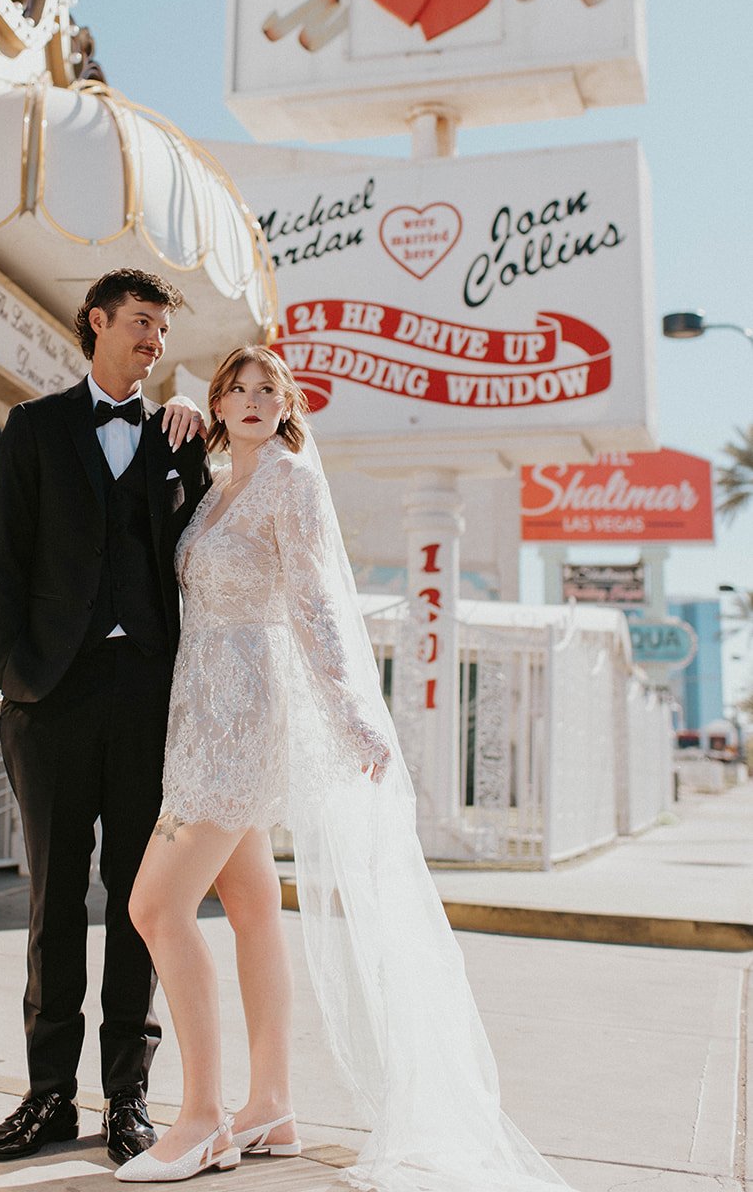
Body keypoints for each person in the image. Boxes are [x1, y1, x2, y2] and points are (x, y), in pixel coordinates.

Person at [117, 345, 570, 1192]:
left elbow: (317, 605)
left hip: (242, 718)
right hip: (200, 710)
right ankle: (274, 1106)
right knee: (251, 906)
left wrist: (358, 721)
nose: (252, 401)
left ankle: (202, 1118)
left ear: (286, 406)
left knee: (155, 905)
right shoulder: (219, 484)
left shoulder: (292, 479)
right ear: (219, 403)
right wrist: (175, 407)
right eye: (237, 389)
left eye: (267, 390)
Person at [0, 269, 210, 1167]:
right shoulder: (34, 429)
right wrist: (10, 679)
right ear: (98, 323)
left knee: (138, 904)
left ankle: (128, 1098)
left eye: (162, 331)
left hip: (148, 693)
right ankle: (46, 1097)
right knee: (52, 901)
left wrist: (194, 422)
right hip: (52, 696)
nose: (154, 341)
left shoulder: (176, 436)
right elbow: (4, 559)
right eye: (142, 323)